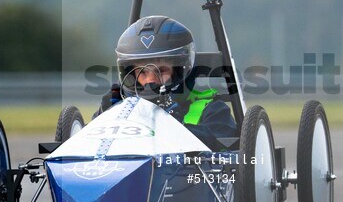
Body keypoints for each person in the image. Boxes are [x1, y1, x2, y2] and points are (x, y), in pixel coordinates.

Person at [94, 15, 237, 149]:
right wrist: (109, 116)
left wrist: (173, 124)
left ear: (182, 70)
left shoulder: (210, 108)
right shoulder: (116, 105)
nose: (150, 80)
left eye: (161, 71)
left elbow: (225, 146)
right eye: (142, 72)